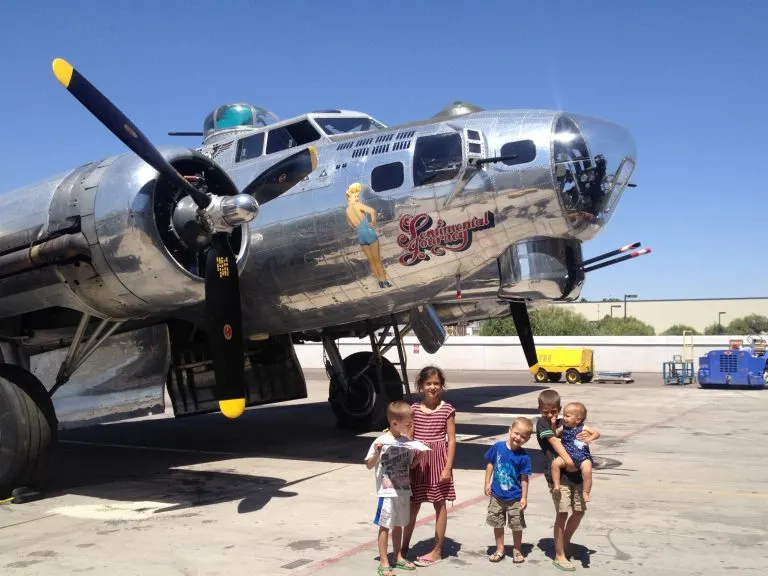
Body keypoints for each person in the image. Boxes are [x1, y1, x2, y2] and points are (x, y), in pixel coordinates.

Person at [400, 365, 456, 567]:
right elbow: (409, 436)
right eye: (428, 383)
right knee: (413, 506)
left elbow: (451, 440)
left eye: (436, 383)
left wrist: (448, 467)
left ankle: (438, 550)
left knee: (439, 504)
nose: (432, 387)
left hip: (439, 461)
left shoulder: (447, 409)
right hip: (418, 463)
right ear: (421, 386)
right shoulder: (414, 409)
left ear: (441, 386)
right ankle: (403, 548)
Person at [365, 401, 425, 576]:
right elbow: (369, 464)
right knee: (385, 525)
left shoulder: (407, 442)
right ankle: (384, 561)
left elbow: (410, 465)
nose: (411, 426)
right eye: (408, 424)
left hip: (403, 490)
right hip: (387, 491)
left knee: (399, 525)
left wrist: (419, 457)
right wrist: (377, 452)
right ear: (394, 423)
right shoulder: (381, 441)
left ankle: (398, 556)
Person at [536, 389, 592, 572]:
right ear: (540, 410)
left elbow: (581, 433)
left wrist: (588, 436)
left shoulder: (565, 422)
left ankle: (565, 541)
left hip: (575, 475)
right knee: (562, 514)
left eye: (554, 411)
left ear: (559, 409)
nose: (550, 415)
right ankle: (559, 554)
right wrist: (568, 461)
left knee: (579, 511)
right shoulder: (542, 424)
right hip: (558, 475)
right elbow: (555, 442)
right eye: (546, 411)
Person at [484, 416, 533, 564]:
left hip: (515, 497)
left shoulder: (524, 457)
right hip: (497, 495)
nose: (518, 438)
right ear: (510, 430)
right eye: (516, 433)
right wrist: (487, 482)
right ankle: (500, 548)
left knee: (516, 524)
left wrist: (524, 497)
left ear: (528, 439)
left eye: (523, 436)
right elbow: (490, 464)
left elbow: (525, 478)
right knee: (497, 522)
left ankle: (517, 549)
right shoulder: (498, 447)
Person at [345, 182, 392, 288]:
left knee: (371, 261)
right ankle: (385, 281)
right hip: (369, 233)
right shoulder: (359, 205)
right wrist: (373, 223)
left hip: (361, 236)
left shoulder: (347, 210)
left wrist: (356, 228)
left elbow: (351, 226)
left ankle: (380, 282)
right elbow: (372, 211)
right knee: (377, 261)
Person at [551, 401, 600, 502]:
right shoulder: (563, 427)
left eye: (567, 416)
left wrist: (591, 437)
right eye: (564, 415)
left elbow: (597, 433)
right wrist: (552, 424)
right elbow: (555, 434)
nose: (564, 418)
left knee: (587, 471)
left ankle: (586, 492)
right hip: (567, 455)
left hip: (582, 456)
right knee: (555, 463)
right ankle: (556, 484)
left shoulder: (583, 428)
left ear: (577, 419)